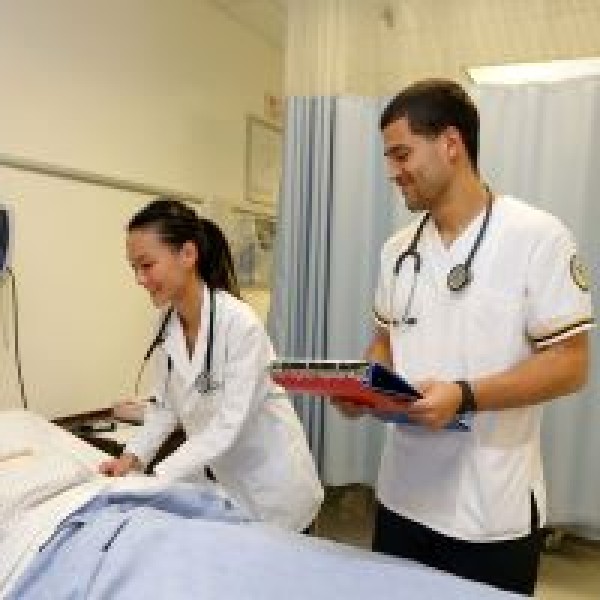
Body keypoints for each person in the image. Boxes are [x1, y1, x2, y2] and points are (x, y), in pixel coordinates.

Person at [335, 79, 594, 595]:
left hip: (488, 509)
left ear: (451, 144)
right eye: (389, 158)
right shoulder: (398, 250)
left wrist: (465, 396)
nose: (393, 171)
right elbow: (385, 339)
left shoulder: (536, 236)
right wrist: (367, 387)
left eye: (402, 154)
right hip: (402, 498)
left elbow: (571, 363)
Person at [99, 198, 323, 532]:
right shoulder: (166, 325)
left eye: (147, 265)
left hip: (274, 488)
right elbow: (165, 407)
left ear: (188, 254)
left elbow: (227, 427)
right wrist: (130, 460)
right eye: (134, 268)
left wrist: (157, 476)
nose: (139, 279)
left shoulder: (240, 325)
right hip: (226, 487)